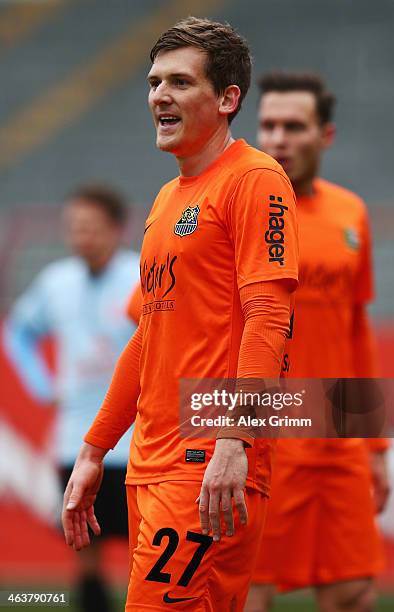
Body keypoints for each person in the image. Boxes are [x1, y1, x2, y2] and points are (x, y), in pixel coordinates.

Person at [61, 17, 299, 611]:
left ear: (227, 99)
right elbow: (149, 336)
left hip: (207, 459)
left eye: (179, 82)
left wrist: (232, 439)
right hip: (150, 461)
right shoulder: (169, 199)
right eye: (153, 82)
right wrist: (95, 450)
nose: (159, 96)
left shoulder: (256, 180)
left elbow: (268, 315)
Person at [245, 72, 390, 612]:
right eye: (268, 125)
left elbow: (356, 329)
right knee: (249, 593)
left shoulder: (351, 213)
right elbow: (162, 327)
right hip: (261, 439)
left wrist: (374, 445)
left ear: (325, 135)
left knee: (354, 593)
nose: (278, 138)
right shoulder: (233, 209)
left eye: (293, 126)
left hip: (338, 436)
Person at [3, 185, 139, 611]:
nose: (83, 236)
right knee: (85, 548)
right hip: (75, 442)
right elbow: (19, 333)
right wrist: (42, 385)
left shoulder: (143, 275)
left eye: (92, 227)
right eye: (75, 227)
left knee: (149, 547)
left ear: (117, 229)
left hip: (138, 441)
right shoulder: (55, 281)